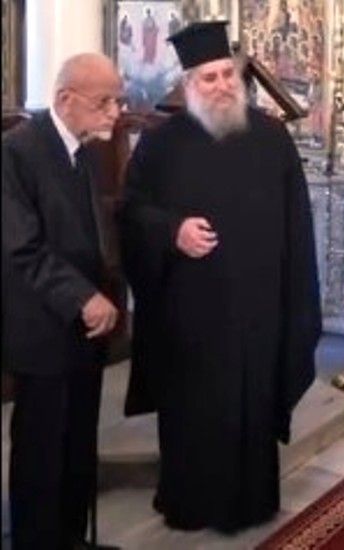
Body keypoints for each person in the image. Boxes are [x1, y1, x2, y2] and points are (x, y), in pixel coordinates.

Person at [118, 21, 321, 533]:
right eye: (208, 78)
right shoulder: (160, 144)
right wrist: (173, 231)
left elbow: (297, 223)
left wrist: (296, 302)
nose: (222, 86)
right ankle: (190, 502)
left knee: (252, 409)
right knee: (194, 413)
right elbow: (131, 212)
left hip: (259, 310)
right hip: (190, 314)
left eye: (227, 74)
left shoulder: (272, 138)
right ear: (189, 85)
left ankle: (252, 503)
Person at [2, 53, 123, 549]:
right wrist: (83, 297)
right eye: (104, 102)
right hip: (43, 326)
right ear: (65, 99)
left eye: (118, 100)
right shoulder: (17, 151)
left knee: (78, 444)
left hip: (84, 328)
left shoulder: (85, 150)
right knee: (42, 450)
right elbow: (21, 246)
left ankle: (72, 539)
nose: (115, 112)